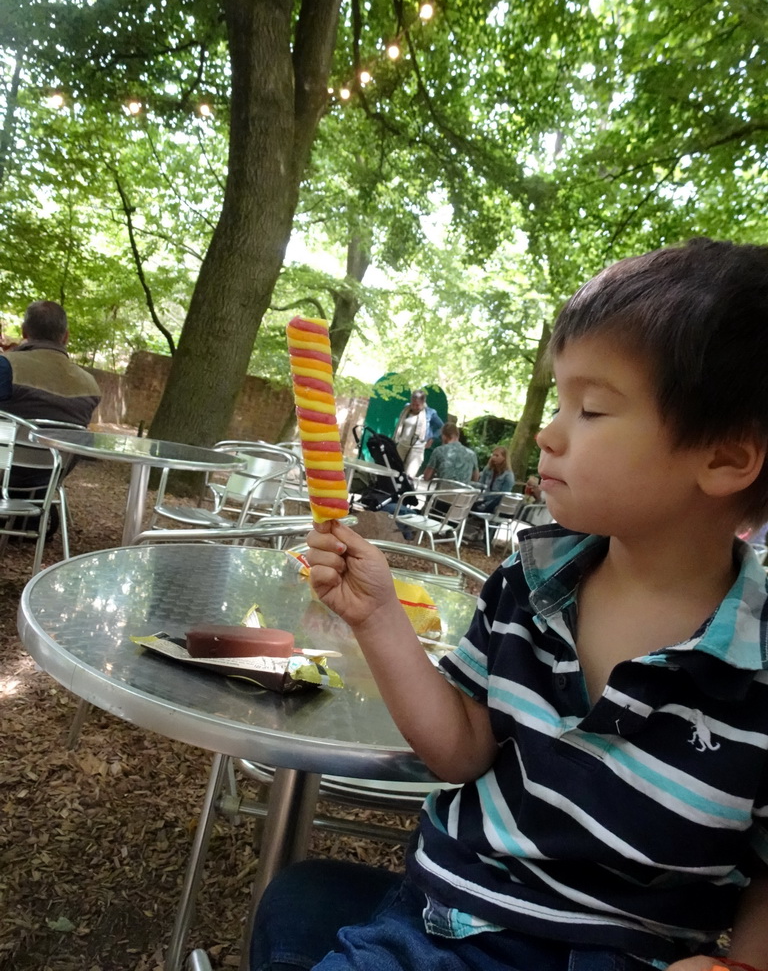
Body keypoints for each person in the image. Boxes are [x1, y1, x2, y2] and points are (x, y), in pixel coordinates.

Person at [251, 238, 768, 971]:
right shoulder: (528, 584)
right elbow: (460, 749)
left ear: (722, 457)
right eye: (559, 402)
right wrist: (376, 617)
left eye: (590, 409)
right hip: (443, 930)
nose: (549, 435)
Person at [0, 301, 100, 532]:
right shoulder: (90, 385)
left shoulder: (7, 366)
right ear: (65, 337)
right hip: (49, 475)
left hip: (5, 469)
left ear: (25, 332)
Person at [392, 390, 444, 480]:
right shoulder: (406, 409)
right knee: (394, 471)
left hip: (418, 447)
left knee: (408, 476)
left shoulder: (430, 412)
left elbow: (441, 427)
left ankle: (404, 492)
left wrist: (432, 438)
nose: (415, 407)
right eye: (413, 404)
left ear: (423, 403)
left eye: (417, 405)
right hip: (402, 445)